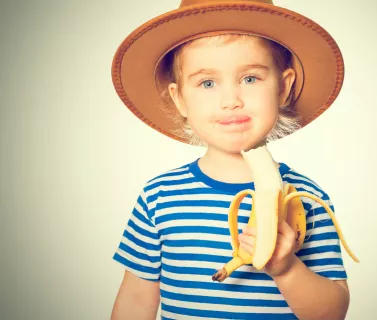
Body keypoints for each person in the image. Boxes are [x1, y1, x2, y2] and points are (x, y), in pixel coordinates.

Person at [110, 1, 356, 319]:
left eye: (250, 79)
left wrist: (286, 269)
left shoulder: (306, 199)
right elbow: (135, 301)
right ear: (180, 98)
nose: (231, 101)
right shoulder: (159, 196)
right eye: (208, 83)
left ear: (284, 88)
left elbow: (332, 313)